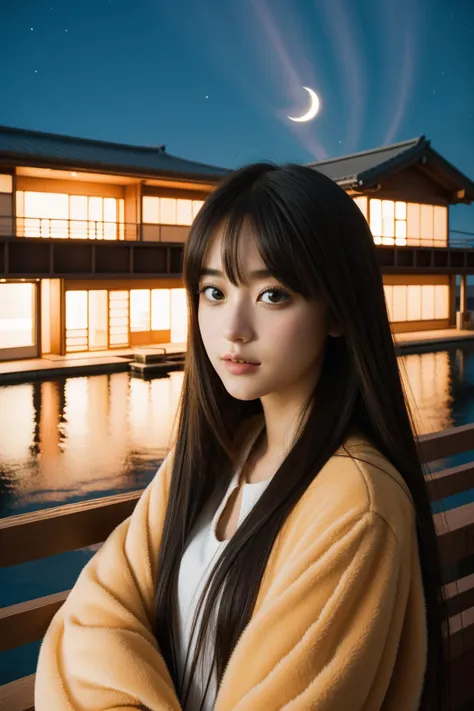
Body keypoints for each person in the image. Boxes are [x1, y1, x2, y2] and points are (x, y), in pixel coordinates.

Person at [35, 162, 451, 711]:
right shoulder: (215, 454)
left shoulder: (357, 504)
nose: (232, 327)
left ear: (337, 313)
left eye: (273, 294)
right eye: (213, 290)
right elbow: (92, 614)